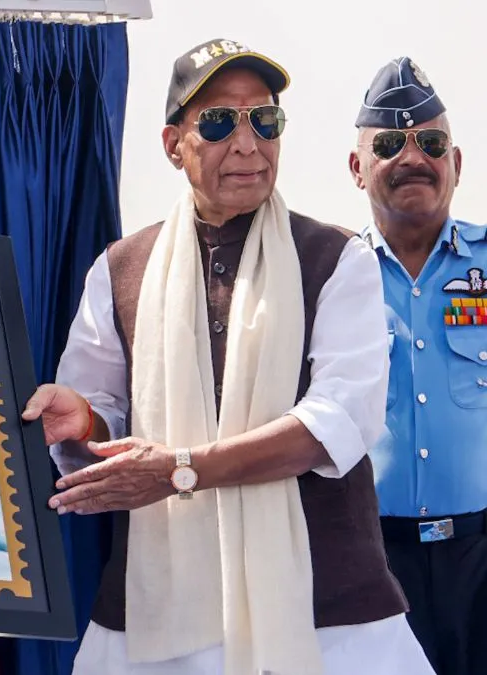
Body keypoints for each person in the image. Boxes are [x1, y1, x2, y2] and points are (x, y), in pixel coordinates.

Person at [21, 38, 433, 674]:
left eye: (263, 120)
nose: (247, 143)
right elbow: (101, 430)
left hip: (323, 617)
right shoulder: (121, 270)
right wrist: (82, 422)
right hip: (162, 620)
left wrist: (180, 469)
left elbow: (336, 425)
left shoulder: (335, 259)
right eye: (217, 122)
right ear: (171, 144)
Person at [349, 57, 487, 675]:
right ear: (358, 168)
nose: (413, 158)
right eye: (388, 144)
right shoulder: (329, 279)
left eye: (431, 142)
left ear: (455, 163)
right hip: (371, 563)